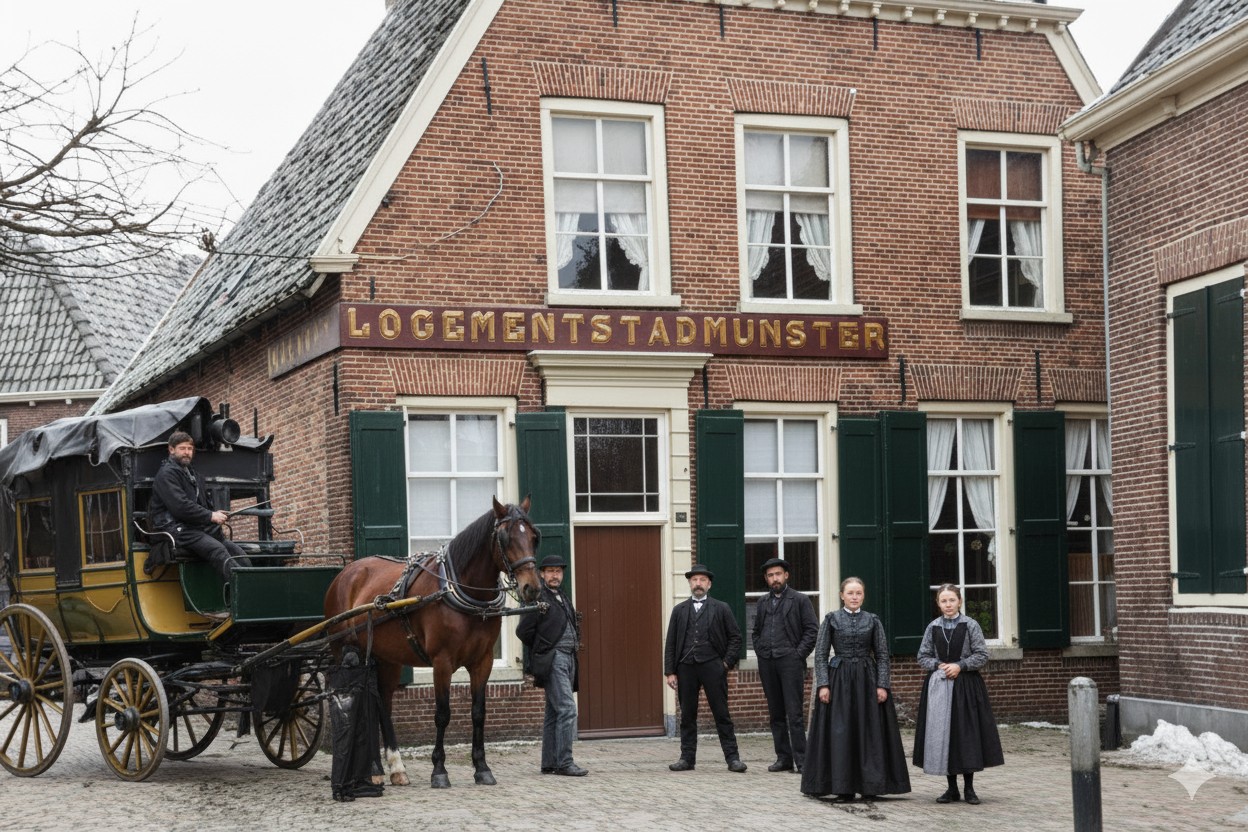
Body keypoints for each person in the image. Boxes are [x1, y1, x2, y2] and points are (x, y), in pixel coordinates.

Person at [801, 576, 911, 801]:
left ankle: (871, 786)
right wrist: (823, 684)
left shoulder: (873, 620)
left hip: (866, 681)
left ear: (863, 596)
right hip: (839, 681)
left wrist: (883, 685)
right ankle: (843, 787)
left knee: (869, 732)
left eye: (858, 593)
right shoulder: (831, 619)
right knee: (841, 733)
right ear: (842, 595)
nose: (854, 597)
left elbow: (881, 655)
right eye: (850, 593)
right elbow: (821, 655)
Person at [913, 583, 1004, 805]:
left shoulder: (970, 625)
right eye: (943, 601)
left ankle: (970, 788)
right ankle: (951, 788)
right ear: (938, 604)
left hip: (966, 688)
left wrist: (960, 666)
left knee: (965, 736)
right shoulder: (933, 627)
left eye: (952, 600)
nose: (948, 604)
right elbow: (922, 655)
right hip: (940, 688)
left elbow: (982, 655)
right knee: (944, 735)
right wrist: (938, 665)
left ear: (959, 601)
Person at [663, 563, 747, 773]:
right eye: (694, 580)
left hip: (713, 666)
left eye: (702, 580)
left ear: (709, 584)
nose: (698, 584)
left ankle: (733, 758)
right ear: (690, 583)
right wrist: (670, 671)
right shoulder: (679, 610)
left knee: (721, 713)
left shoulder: (722, 608)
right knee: (687, 714)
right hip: (686, 667)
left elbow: (735, 638)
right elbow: (671, 642)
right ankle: (687, 758)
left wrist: (725, 663)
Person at [148, 431, 251, 588]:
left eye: (190, 449)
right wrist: (210, 516)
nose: (187, 453)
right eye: (182, 448)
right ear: (171, 450)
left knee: (237, 551)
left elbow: (200, 505)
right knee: (217, 550)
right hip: (175, 529)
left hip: (194, 528)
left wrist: (215, 514)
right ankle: (242, 592)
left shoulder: (193, 474)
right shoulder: (166, 475)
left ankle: (255, 586)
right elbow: (180, 507)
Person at [516, 553, 587, 776]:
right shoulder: (537, 598)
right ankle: (565, 762)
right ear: (542, 574)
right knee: (567, 709)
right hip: (553, 658)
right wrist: (544, 649)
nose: (555, 575)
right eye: (551, 572)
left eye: (558, 571)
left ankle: (549, 763)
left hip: (569, 658)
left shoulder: (562, 597)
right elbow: (523, 631)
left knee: (554, 712)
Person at [751, 557, 818, 773]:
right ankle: (783, 758)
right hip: (767, 662)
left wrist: (798, 655)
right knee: (775, 713)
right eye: (770, 575)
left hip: (790, 662)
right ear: (766, 579)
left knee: (794, 713)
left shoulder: (800, 600)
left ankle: (803, 760)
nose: (774, 578)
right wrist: (761, 652)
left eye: (778, 574)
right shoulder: (762, 602)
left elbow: (811, 631)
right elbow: (756, 632)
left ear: (786, 575)